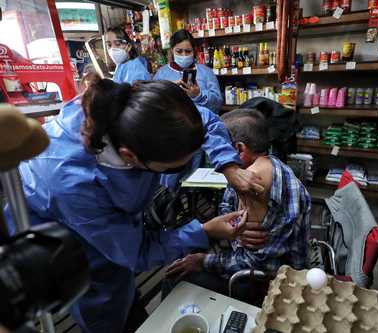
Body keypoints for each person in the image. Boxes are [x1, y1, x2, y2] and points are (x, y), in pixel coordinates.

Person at [3, 80, 265, 333]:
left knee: (127, 293)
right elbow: (136, 251)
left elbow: (203, 119)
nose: (179, 172)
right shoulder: (72, 183)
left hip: (107, 216)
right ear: (130, 157)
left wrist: (228, 165)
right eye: (170, 168)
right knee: (104, 299)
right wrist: (205, 232)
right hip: (70, 237)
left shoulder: (137, 107)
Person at [163, 109, 311, 300]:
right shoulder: (246, 171)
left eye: (221, 149)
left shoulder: (255, 183)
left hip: (271, 283)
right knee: (188, 254)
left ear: (240, 149)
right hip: (254, 261)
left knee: (175, 275)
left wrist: (203, 261)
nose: (217, 159)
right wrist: (235, 229)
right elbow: (226, 203)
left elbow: (255, 264)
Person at [154, 29, 223, 113]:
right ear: (172, 50)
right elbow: (153, 103)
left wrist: (199, 95)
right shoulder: (161, 74)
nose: (184, 55)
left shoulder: (206, 72)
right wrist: (169, 90)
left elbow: (218, 104)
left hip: (203, 123)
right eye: (179, 51)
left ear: (194, 51)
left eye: (188, 51)